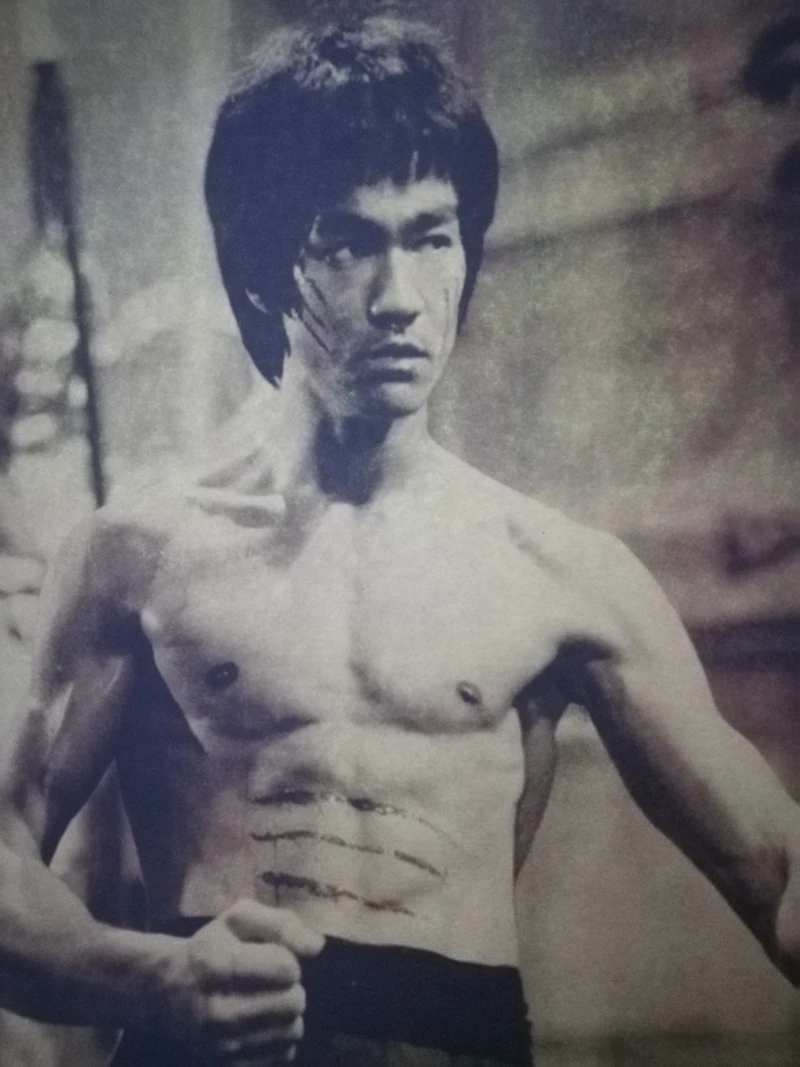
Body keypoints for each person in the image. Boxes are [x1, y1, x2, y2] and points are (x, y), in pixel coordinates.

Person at [1, 17, 800, 1067]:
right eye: (346, 242)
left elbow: (775, 866)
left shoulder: (560, 572)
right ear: (263, 266)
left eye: (431, 236)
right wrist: (152, 977)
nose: (398, 299)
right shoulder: (136, 553)